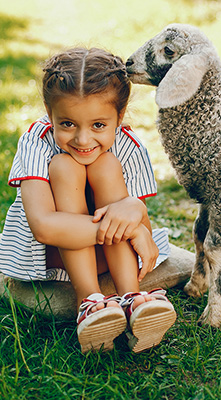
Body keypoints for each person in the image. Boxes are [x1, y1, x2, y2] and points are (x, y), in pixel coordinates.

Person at [0, 48, 176, 354]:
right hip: (51, 256)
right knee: (64, 166)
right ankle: (90, 302)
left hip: (107, 256)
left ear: (119, 117)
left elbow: (141, 225)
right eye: (67, 124)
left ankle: (131, 299)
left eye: (98, 125)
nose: (82, 140)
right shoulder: (36, 140)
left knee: (106, 165)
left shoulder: (128, 144)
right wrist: (129, 227)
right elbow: (43, 227)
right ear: (49, 110)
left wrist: (134, 212)